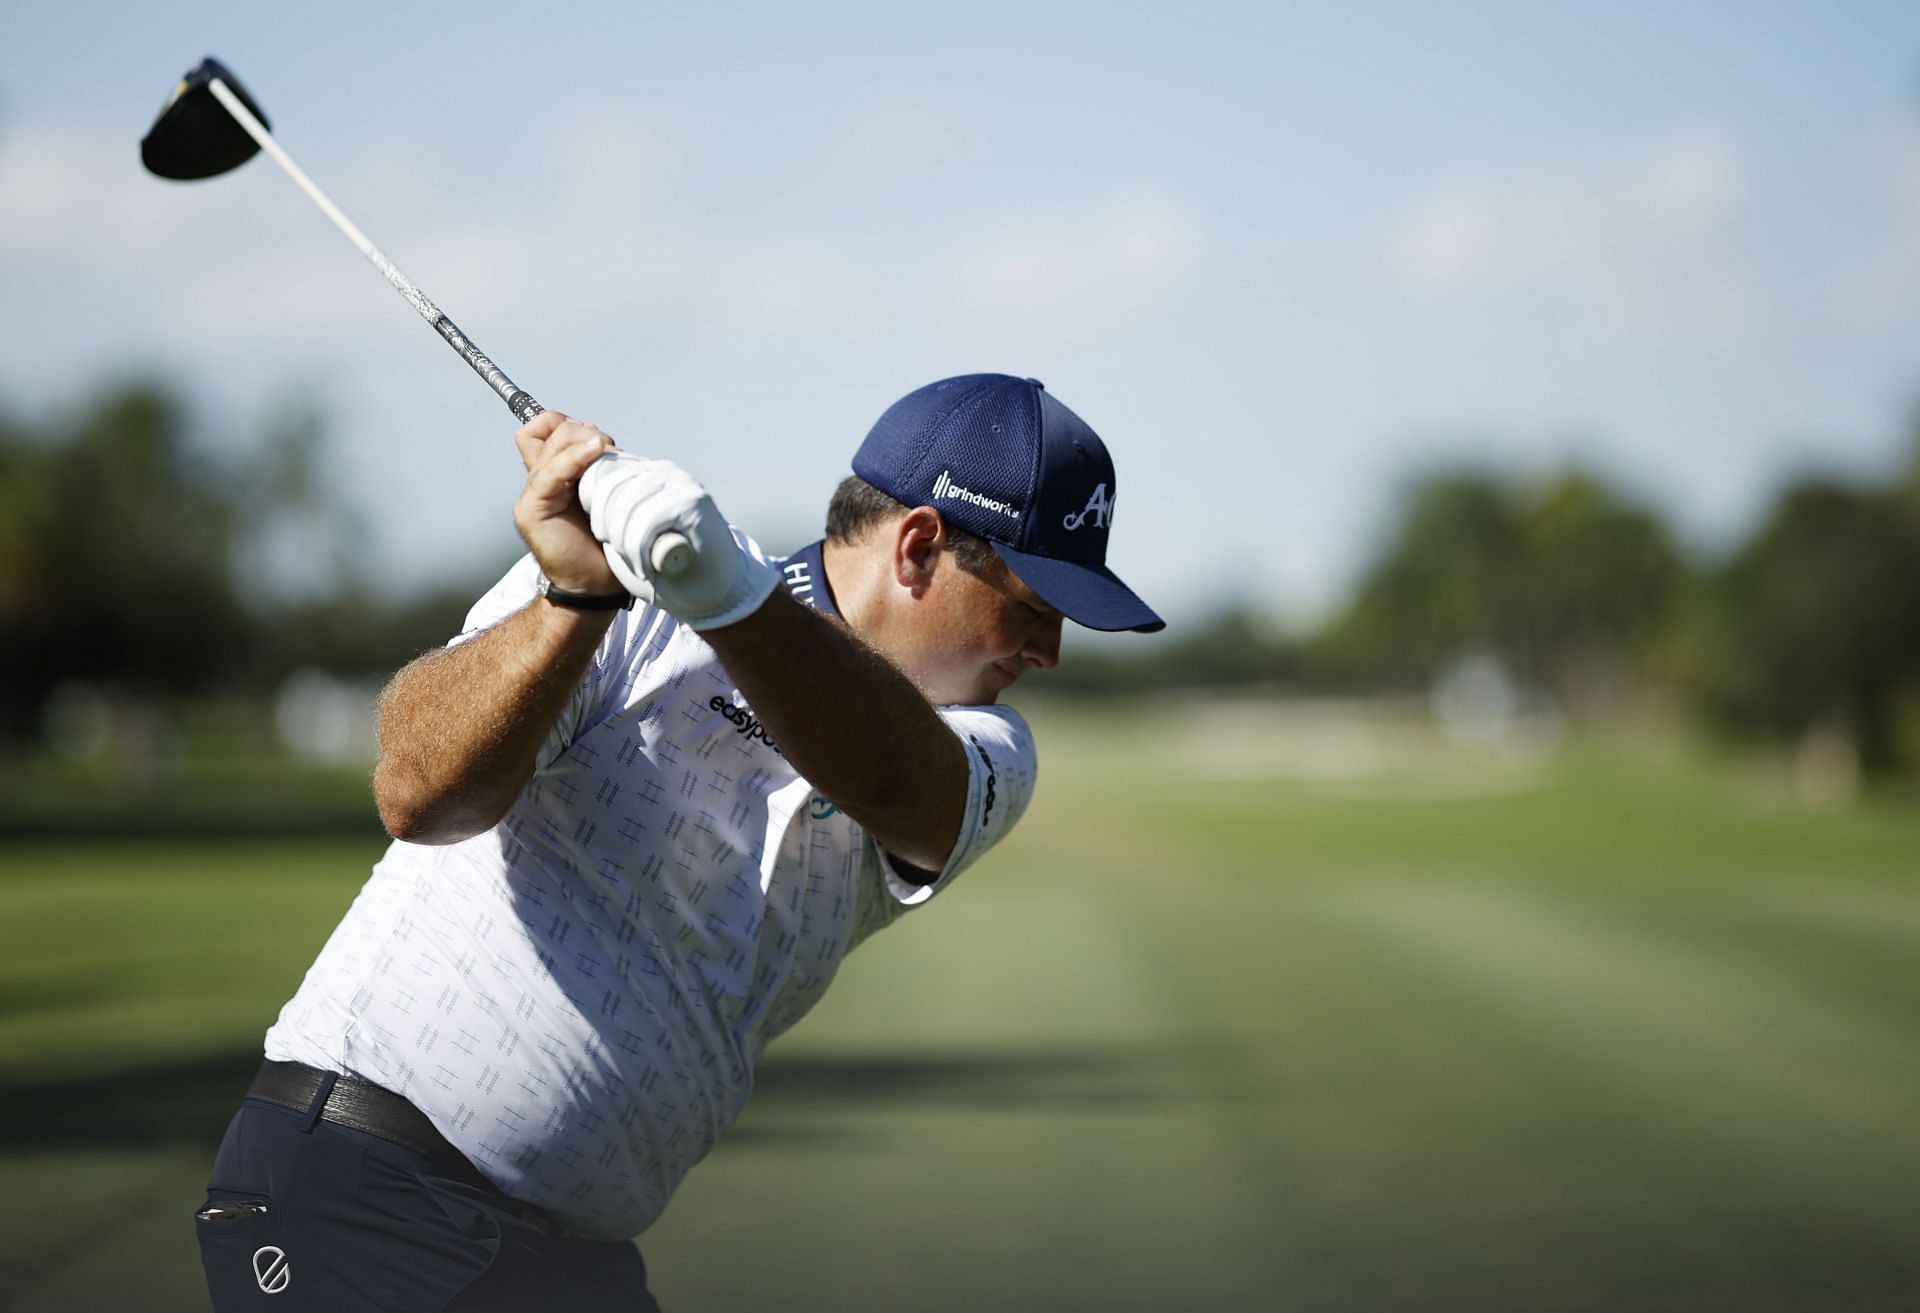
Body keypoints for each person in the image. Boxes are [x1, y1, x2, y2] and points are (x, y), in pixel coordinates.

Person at [193, 374, 1163, 1310]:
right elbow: (416, 790)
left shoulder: (982, 749)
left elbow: (890, 778)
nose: (1049, 653)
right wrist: (574, 597)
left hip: (559, 1256)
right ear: (916, 547)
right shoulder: (632, 595)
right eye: (1033, 609)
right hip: (361, 1191)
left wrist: (729, 593)